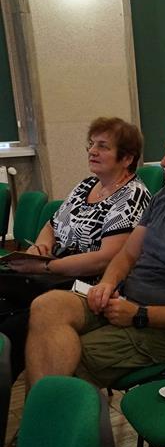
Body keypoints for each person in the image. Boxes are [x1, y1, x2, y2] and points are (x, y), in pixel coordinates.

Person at [23, 113, 165, 390]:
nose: (164, 161)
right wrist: (107, 284)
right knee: (47, 306)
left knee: (60, 355)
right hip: (125, 303)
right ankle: (48, 411)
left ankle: (48, 414)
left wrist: (140, 314)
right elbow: (127, 255)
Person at [0, 117, 152, 378]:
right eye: (91, 144)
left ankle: (28, 394)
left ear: (127, 158)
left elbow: (106, 259)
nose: (92, 151)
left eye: (103, 146)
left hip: (94, 288)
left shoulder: (133, 195)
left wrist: (46, 267)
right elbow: (52, 224)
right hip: (57, 277)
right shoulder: (86, 186)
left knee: (14, 328)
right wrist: (42, 245)